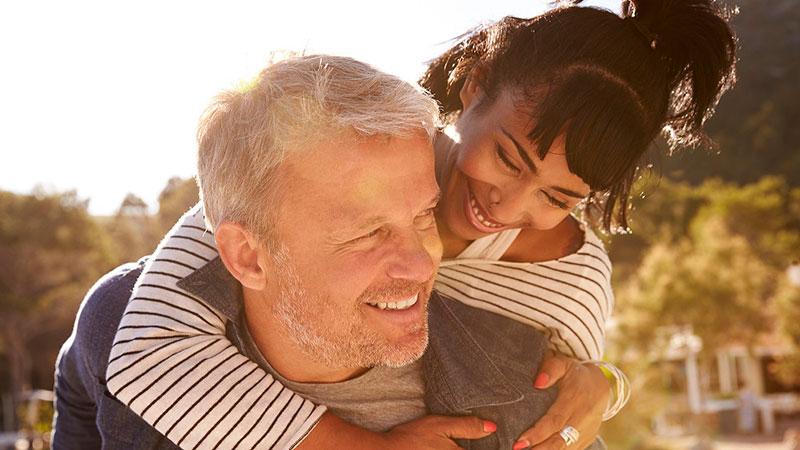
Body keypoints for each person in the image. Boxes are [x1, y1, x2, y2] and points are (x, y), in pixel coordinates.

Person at [100, 0, 736, 448]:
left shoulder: (569, 284)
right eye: (508, 157)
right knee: (113, 304)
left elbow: (560, 400)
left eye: (559, 197)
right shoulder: (363, 151)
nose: (508, 208)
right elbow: (142, 350)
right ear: (474, 86)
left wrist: (606, 385)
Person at [54, 54, 563, 450]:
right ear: (249, 257)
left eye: (422, 215)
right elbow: (76, 381)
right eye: (368, 233)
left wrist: (609, 382)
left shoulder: (521, 397)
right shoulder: (127, 329)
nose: (421, 261)